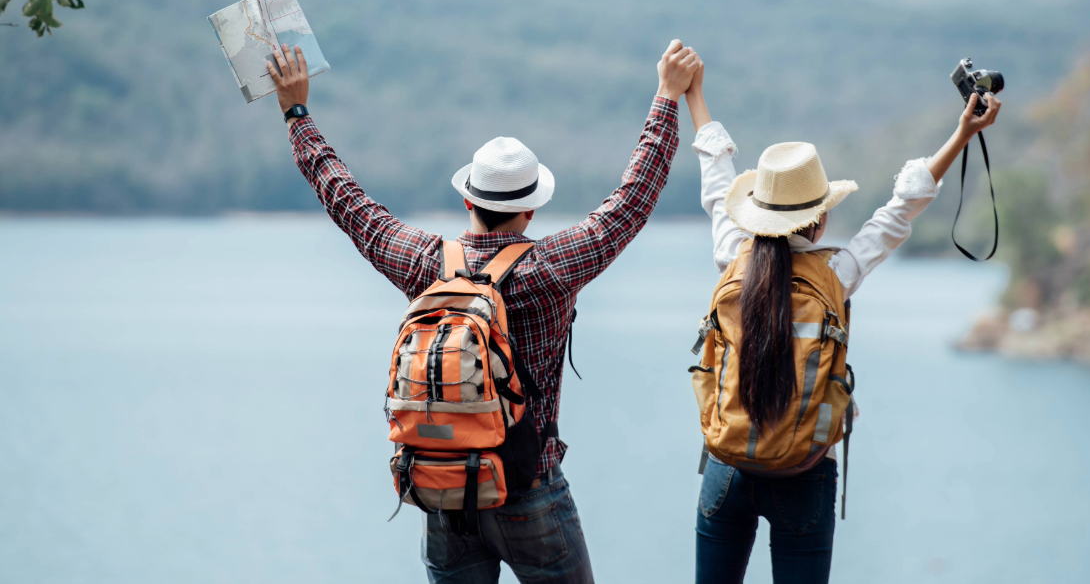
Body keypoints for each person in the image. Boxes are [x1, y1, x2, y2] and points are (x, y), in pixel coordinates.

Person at [265, 40, 701, 583]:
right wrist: (666, 96)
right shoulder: (549, 270)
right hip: (529, 490)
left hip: (446, 492)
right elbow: (632, 200)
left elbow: (347, 200)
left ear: (468, 201)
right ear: (531, 207)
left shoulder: (427, 264)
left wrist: (296, 111)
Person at [683, 63, 1001, 584]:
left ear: (757, 212)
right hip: (805, 472)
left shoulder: (732, 256)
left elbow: (716, 180)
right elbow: (901, 210)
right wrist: (964, 132)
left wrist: (694, 95)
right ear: (821, 217)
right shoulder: (835, 272)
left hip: (728, 464)